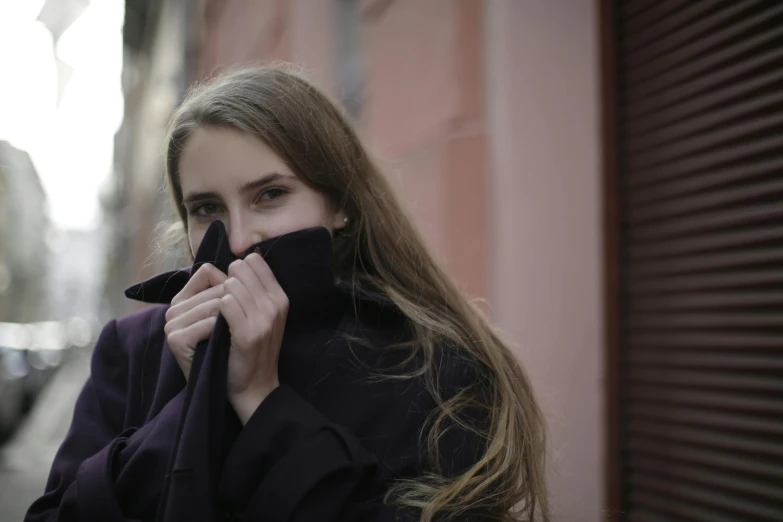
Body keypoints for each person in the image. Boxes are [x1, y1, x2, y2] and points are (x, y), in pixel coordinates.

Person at [25, 65, 549, 522]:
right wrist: (191, 400)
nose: (237, 238)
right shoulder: (132, 348)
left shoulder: (432, 365)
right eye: (206, 209)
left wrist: (260, 400)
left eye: (270, 195)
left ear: (339, 203)